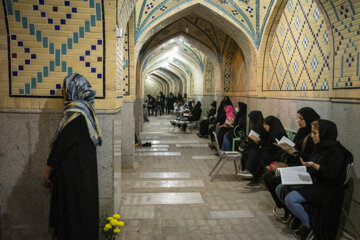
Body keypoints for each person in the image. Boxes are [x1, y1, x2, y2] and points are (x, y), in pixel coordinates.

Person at [44, 73, 102, 240]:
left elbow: (61, 145)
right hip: (82, 174)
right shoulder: (86, 111)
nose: (63, 94)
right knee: (81, 212)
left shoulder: (75, 114)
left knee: (73, 216)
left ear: (73, 90)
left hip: (73, 177)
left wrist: (49, 168)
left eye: (65, 90)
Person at [276, 120, 353, 240]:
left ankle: (308, 225)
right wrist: (298, 154)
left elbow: (333, 173)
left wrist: (314, 166)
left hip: (327, 189)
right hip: (315, 181)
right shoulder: (321, 146)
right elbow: (313, 158)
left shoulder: (336, 151)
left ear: (325, 133)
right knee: (280, 187)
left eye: (315, 133)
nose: (312, 136)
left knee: (290, 199)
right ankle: (299, 216)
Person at [263, 107, 320, 222]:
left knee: (275, 181)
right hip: (294, 164)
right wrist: (289, 150)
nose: (298, 121)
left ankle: (291, 211)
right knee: (268, 176)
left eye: (301, 119)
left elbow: (312, 157)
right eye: (298, 118)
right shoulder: (301, 133)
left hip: (303, 169)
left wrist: (295, 152)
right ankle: (286, 208)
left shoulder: (312, 138)